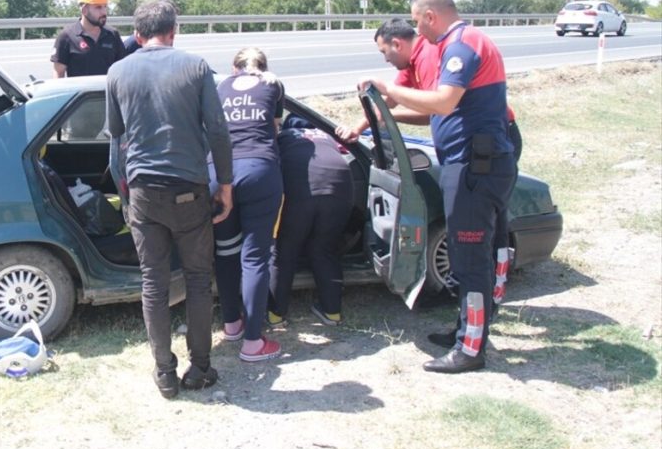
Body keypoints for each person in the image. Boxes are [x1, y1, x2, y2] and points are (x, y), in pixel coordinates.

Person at [360, 0, 517, 374]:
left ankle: (470, 349)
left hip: (474, 166)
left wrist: (389, 91)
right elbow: (443, 110)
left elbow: (443, 102)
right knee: (474, 255)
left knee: (469, 258)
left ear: (430, 16)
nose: (417, 30)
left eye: (417, 22)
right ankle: (469, 331)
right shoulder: (458, 42)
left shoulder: (461, 44)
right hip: (474, 162)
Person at [339, 19, 522, 304]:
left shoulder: (427, 56)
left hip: (488, 145)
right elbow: (391, 103)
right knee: (474, 227)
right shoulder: (410, 64)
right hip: (468, 146)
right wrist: (359, 128)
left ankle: (489, 291)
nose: (385, 59)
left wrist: (385, 92)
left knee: (487, 228)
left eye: (384, 52)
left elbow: (438, 106)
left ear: (397, 44)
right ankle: (470, 295)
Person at [106, 0, 233, 399]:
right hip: (190, 191)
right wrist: (225, 185)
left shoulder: (116, 72)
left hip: (144, 192)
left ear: (139, 35)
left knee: (153, 284)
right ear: (174, 31)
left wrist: (125, 195)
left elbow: (116, 146)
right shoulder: (196, 67)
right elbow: (217, 130)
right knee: (197, 279)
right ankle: (200, 368)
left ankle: (164, 373)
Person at [210, 47, 285, 362]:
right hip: (258, 171)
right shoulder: (273, 84)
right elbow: (276, 128)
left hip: (219, 174)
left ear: (233, 67)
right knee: (254, 258)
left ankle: (231, 325)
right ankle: (253, 343)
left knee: (226, 252)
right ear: (263, 66)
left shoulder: (221, 86)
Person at [268, 116, 355, 327]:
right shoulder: (327, 137)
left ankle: (276, 315)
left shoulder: (282, 138)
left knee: (284, 252)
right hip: (340, 187)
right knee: (325, 249)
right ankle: (332, 312)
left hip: (300, 190)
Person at [51, 0, 125, 78]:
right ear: (84, 10)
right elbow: (58, 72)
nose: (104, 12)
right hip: (81, 92)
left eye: (105, 7)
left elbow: (123, 69)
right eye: (98, 7)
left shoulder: (113, 34)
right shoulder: (67, 36)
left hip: (107, 92)